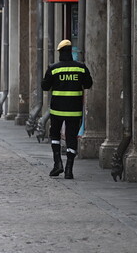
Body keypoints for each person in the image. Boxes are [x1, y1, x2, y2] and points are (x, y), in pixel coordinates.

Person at [41, 39, 92, 179]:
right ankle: (69, 169)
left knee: (55, 136)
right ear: (70, 52)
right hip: (74, 110)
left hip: (57, 110)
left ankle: (57, 163)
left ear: (60, 52)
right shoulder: (81, 68)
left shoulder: (54, 68)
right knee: (71, 138)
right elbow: (88, 84)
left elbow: (44, 87)